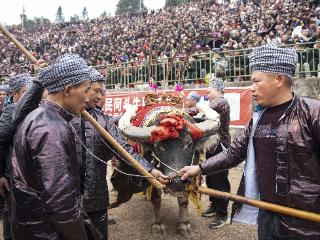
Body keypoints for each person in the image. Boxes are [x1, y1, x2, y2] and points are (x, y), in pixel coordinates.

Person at [179, 41, 320, 239]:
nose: (251, 88)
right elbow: (235, 152)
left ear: (279, 79)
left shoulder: (312, 112)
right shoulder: (258, 119)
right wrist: (200, 168)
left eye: (256, 81)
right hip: (267, 214)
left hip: (308, 224)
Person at [10, 54, 101, 240]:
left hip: (31, 226)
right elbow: (60, 202)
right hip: (46, 232)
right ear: (67, 90)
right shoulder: (52, 129)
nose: (88, 98)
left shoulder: (37, 116)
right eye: (86, 90)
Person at [71, 68, 167, 239]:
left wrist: (150, 170)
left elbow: (125, 151)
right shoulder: (60, 117)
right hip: (66, 200)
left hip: (96, 198)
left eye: (102, 91)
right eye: (96, 91)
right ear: (80, 88)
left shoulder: (104, 121)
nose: (100, 97)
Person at [186, 79, 231, 228]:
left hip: (220, 146)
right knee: (211, 177)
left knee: (219, 180)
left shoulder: (220, 102)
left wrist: (185, 110)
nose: (206, 94)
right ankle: (214, 205)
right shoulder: (212, 105)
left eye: (209, 91)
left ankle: (223, 214)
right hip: (212, 146)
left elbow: (199, 110)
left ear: (218, 91)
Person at [0, 73, 35, 240]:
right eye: (25, 92)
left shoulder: (35, 110)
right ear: (14, 93)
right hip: (12, 175)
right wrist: (1, 174)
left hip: (29, 175)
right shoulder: (11, 112)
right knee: (13, 216)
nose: (30, 96)